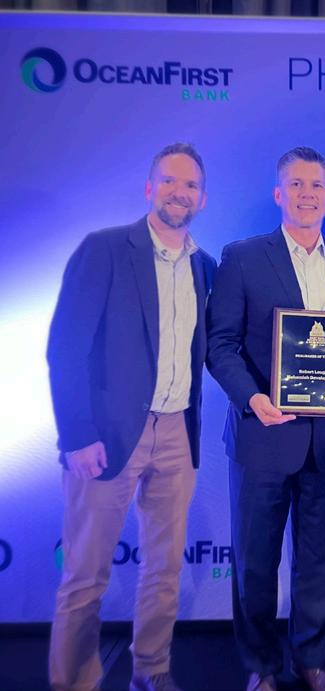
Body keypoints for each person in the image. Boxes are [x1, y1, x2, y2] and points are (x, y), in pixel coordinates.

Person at [47, 142, 217, 691]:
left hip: (177, 431)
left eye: (190, 185)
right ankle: (73, 682)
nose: (178, 192)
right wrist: (77, 435)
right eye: (169, 181)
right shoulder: (104, 249)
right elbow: (66, 349)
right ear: (149, 188)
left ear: (203, 199)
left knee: (164, 569)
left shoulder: (205, 267)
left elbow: (218, 347)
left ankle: (151, 671)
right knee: (85, 575)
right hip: (106, 435)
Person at [206, 146, 325, 691]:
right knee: (255, 563)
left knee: (318, 559)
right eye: (296, 185)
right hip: (262, 435)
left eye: (316, 185)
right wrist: (254, 399)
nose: (307, 194)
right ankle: (260, 667)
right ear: (279, 193)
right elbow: (220, 345)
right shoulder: (242, 257)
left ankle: (312, 660)